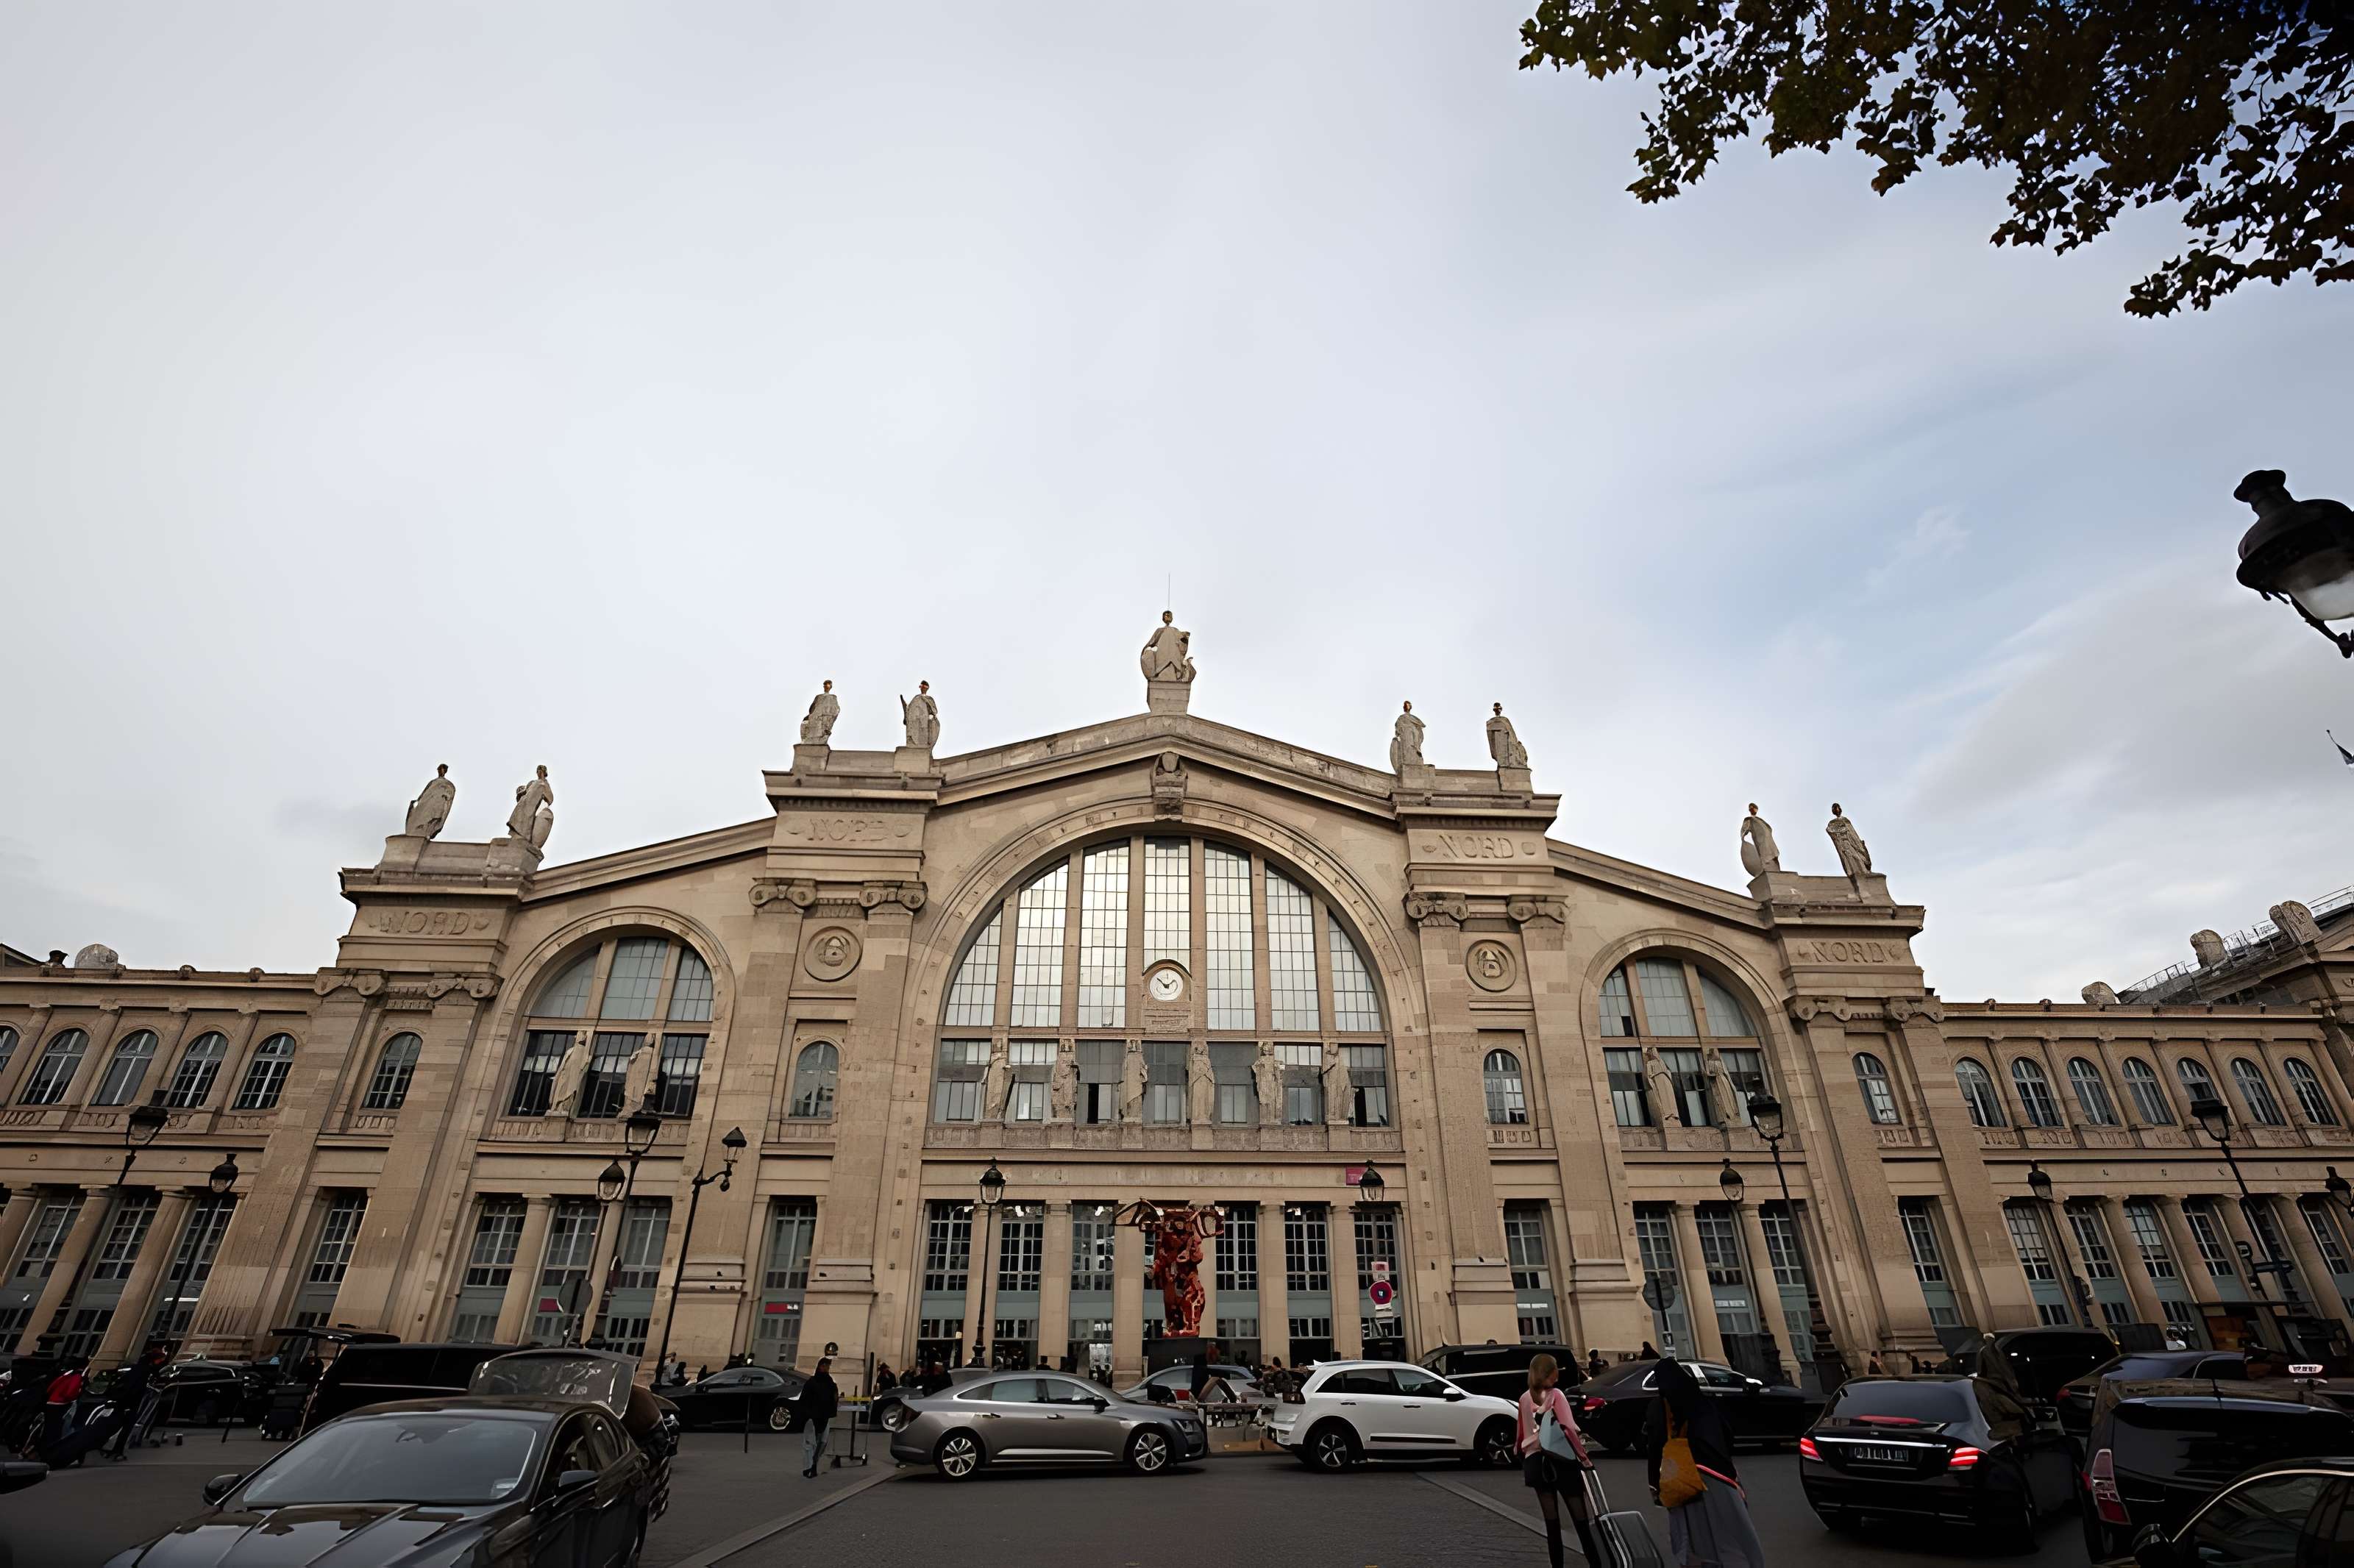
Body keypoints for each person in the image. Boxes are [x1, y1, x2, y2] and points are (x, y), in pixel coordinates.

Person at [1643, 1358, 1766, 1568]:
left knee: (1692, 1530)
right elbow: (1726, 1434)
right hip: (1716, 1472)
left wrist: (1655, 1483)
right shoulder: (1700, 1401)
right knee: (1730, 1527)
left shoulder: (1659, 1407)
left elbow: (1654, 1446)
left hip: (1682, 1476)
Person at [1518, 1353, 1601, 1568]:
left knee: (1552, 1522)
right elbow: (1568, 1429)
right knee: (1581, 1520)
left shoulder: (1524, 1398)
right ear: (1550, 1372)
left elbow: (1521, 1435)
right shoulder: (1557, 1396)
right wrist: (1584, 1457)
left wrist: (1523, 1451)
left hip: (1536, 1462)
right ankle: (1595, 1563)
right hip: (1561, 1461)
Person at [796, 1356, 839, 1478]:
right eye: (824, 1366)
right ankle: (809, 1468)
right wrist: (807, 1415)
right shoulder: (812, 1382)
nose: (826, 1368)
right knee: (810, 1444)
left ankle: (814, 1465)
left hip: (824, 1417)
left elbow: (834, 1399)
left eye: (828, 1366)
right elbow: (804, 1400)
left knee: (822, 1443)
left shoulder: (830, 1383)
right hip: (812, 1418)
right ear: (819, 1367)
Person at [41, 1357, 85, 1455]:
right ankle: (51, 1451)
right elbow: (71, 1392)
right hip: (61, 1404)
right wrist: (74, 1398)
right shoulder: (77, 1376)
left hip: (51, 1401)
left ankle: (43, 1449)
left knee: (48, 1428)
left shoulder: (68, 1374)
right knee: (56, 1429)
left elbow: (52, 1386)